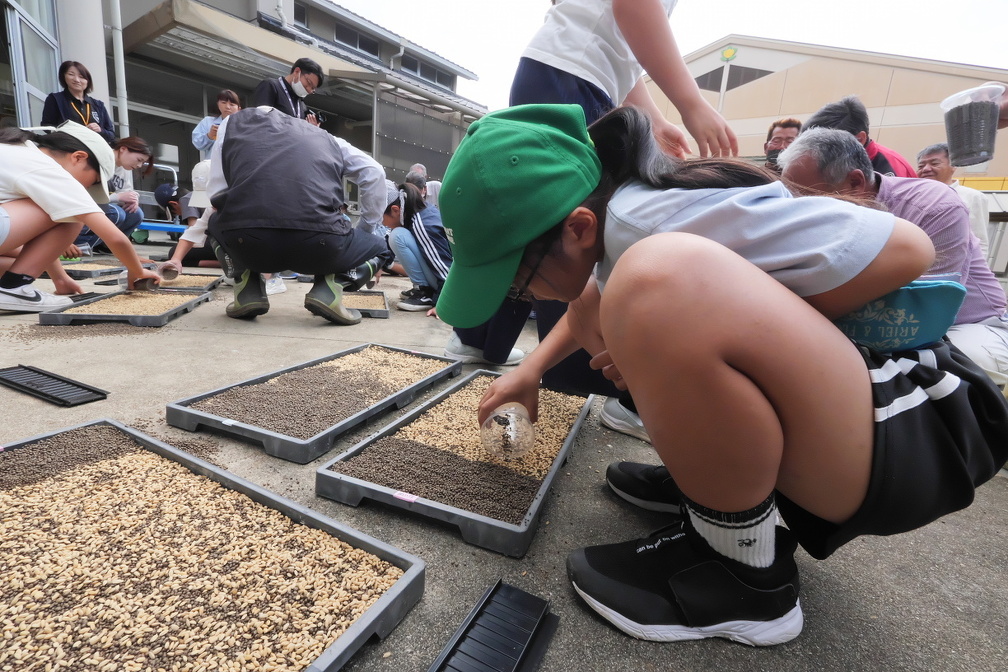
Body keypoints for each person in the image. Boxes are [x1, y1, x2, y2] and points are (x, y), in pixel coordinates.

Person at [433, 103, 1008, 646]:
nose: (522, 294)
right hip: (873, 429)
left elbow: (910, 247)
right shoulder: (624, 219)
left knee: (652, 285)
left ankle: (741, 577)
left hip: (917, 429)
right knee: (606, 300)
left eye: (518, 279)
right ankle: (715, 490)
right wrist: (530, 371)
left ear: (579, 227)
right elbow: (588, 301)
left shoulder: (647, 229)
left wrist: (744, 333)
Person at [509, 0, 740, 433]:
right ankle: (583, 386)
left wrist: (655, 117)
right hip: (572, 75)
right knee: (574, 264)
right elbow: (632, 7)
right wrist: (691, 103)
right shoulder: (630, 227)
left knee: (582, 266)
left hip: (576, 76)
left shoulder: (637, 228)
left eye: (524, 287)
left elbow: (623, 50)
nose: (526, 293)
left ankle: (603, 389)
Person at [780, 127, 1008, 388]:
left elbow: (925, 310)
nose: (801, 215)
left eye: (809, 200)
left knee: (928, 370)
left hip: (965, 324)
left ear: (855, 183)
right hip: (873, 324)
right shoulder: (824, 216)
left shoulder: (933, 205)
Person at [205, 106, 391, 324]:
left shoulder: (233, 127)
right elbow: (374, 173)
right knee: (382, 248)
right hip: (320, 247)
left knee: (214, 225)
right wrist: (363, 234)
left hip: (248, 245)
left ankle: (247, 287)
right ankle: (331, 287)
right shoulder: (326, 138)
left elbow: (216, 194)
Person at [0, 123, 160, 312]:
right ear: (78, 157)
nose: (87, 188)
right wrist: (137, 271)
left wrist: (60, 279)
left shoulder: (20, 149)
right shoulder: (52, 172)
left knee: (16, 260)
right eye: (95, 181)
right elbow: (115, 238)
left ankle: (14, 284)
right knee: (73, 216)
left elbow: (36, 250)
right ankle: (13, 288)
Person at [70, 135, 153, 255]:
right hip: (81, 206)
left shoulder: (124, 168)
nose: (139, 165)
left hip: (101, 205)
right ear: (123, 149)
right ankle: (77, 247)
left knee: (135, 213)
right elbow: (85, 195)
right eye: (139, 160)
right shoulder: (102, 160)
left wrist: (133, 198)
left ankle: (105, 246)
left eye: (143, 162)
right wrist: (118, 197)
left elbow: (125, 191)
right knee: (116, 213)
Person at [802, 95, 916, 177]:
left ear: (860, 139)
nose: (819, 153)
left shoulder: (890, 169)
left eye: (827, 147)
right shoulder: (837, 164)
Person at [916, 142, 992, 260]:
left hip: (953, 264)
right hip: (915, 262)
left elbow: (980, 241)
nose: (926, 169)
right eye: (921, 166)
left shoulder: (972, 197)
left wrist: (976, 269)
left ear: (953, 166)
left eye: (934, 163)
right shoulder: (913, 196)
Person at [384, 181, 451, 311]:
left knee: (398, 236)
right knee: (397, 235)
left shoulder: (422, 224)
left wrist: (442, 303)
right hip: (448, 277)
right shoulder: (414, 212)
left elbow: (444, 268)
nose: (382, 223)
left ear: (395, 210)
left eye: (381, 217)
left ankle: (426, 293)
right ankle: (422, 289)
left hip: (450, 283)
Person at [41, 61, 115, 143]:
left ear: (88, 81)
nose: (76, 80)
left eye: (81, 77)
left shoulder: (98, 105)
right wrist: (66, 133)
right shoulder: (55, 99)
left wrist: (100, 130)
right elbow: (46, 126)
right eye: (71, 74)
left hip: (93, 147)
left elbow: (111, 135)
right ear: (64, 76)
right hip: (67, 147)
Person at [251, 58, 323, 125]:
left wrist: (310, 129)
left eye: (312, 89)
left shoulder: (301, 105)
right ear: (297, 72)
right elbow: (259, 119)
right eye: (309, 83)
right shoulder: (271, 86)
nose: (309, 90)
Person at [191, 89, 241, 160]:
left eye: (232, 104)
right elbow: (197, 144)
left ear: (239, 109)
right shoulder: (208, 122)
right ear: (218, 104)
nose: (227, 107)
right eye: (223, 103)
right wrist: (209, 136)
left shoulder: (244, 126)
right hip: (213, 164)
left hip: (236, 164)